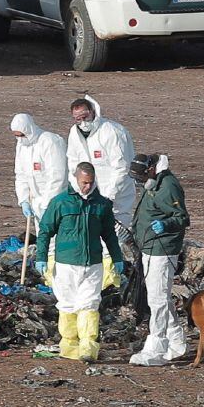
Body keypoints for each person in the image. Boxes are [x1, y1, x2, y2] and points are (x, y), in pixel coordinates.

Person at [35, 162, 124, 362]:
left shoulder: (101, 204)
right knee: (67, 305)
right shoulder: (61, 203)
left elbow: (109, 234)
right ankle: (69, 345)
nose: (87, 187)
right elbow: (45, 231)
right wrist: (41, 257)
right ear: (76, 178)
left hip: (92, 263)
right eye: (84, 182)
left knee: (89, 304)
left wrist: (117, 258)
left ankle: (88, 348)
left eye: (90, 183)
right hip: (66, 264)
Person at [128, 153, 191, 366]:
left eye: (141, 178)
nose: (140, 183)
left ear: (152, 169)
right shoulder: (153, 185)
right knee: (159, 295)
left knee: (157, 299)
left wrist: (165, 226)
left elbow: (182, 217)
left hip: (162, 249)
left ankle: (157, 347)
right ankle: (177, 340)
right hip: (149, 247)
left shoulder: (168, 186)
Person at [66, 95, 135, 289]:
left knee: (114, 235)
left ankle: (111, 279)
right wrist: (79, 189)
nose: (82, 122)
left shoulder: (112, 132)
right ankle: (95, 275)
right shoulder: (74, 133)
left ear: (93, 112)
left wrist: (109, 196)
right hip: (90, 194)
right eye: (77, 118)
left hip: (116, 196)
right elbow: (73, 163)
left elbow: (121, 168)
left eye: (85, 117)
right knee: (92, 234)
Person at [12, 112, 68, 224]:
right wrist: (24, 200)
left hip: (57, 200)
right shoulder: (22, 146)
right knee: (43, 238)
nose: (20, 139)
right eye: (16, 136)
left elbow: (57, 176)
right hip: (36, 202)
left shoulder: (50, 142)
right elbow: (21, 174)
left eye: (22, 135)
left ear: (29, 130)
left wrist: (48, 204)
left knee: (58, 237)